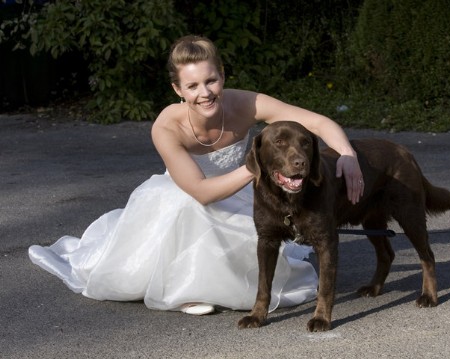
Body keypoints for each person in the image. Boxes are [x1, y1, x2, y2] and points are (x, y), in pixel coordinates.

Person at [29, 35, 364, 315]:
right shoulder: (167, 125)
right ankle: (186, 289)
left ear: (222, 76)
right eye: (192, 85)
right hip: (187, 196)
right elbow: (201, 191)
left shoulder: (245, 103)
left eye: (211, 80)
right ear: (178, 89)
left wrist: (348, 156)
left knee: (264, 228)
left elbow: (318, 123)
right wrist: (257, 168)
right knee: (185, 204)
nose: (204, 92)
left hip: (240, 193)